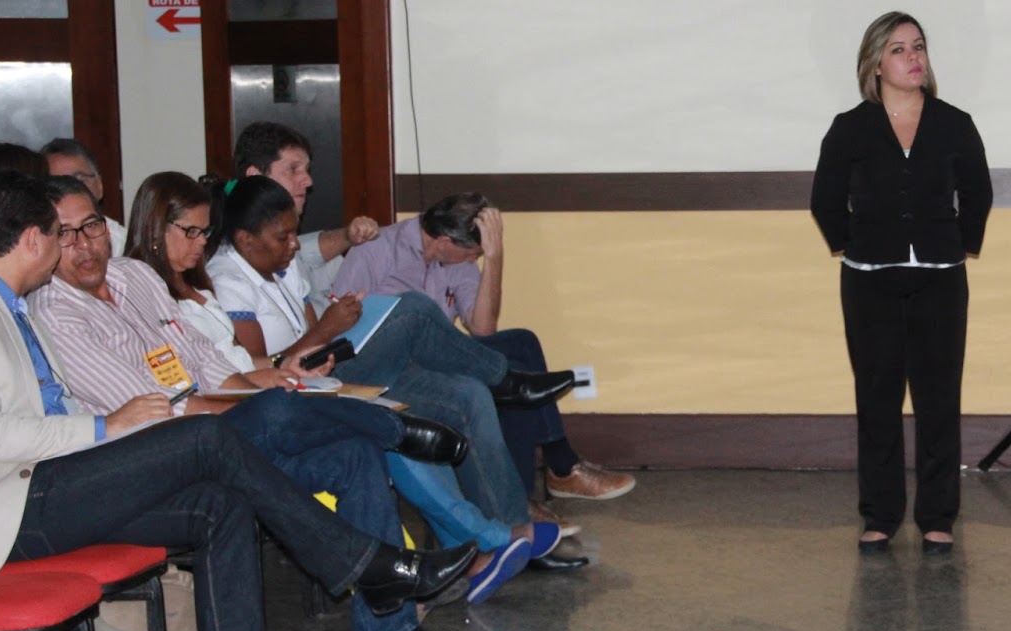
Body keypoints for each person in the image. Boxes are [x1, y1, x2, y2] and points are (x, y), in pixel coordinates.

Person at [0, 170, 475, 631]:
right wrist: (103, 426)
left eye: (89, 228)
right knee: (209, 435)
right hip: (11, 507)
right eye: (61, 235)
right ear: (34, 239)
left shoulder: (12, 301)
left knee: (221, 506)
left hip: (61, 476)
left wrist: (261, 379)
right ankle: (369, 557)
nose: (72, 247)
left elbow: (184, 369)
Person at [124, 171, 559, 600]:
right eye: (193, 232)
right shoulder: (211, 284)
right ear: (245, 240)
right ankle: (488, 530)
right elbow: (210, 385)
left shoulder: (223, 283)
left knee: (459, 398)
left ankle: (477, 548)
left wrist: (290, 363)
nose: (295, 245)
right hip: (264, 408)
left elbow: (238, 365)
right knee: (409, 325)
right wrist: (306, 348)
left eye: (205, 232)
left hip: (307, 380)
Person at [810, 11, 993, 555]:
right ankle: (880, 515)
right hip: (870, 281)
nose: (914, 58)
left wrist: (958, 243)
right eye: (899, 49)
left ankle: (937, 516)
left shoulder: (954, 123)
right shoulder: (850, 127)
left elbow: (978, 192)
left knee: (939, 399)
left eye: (919, 47)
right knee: (877, 400)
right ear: (875, 64)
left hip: (940, 280)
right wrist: (855, 244)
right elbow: (825, 199)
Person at [331, 191, 636, 503]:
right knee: (506, 378)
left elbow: (483, 328)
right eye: (472, 253)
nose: (472, 260)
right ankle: (556, 470)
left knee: (522, 344)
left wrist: (494, 257)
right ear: (444, 241)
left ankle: (545, 479)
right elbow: (338, 325)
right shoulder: (376, 248)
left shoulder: (457, 259)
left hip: (443, 355)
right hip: (389, 367)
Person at [232, 120, 378, 313]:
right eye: (293, 169)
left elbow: (305, 251)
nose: (308, 181)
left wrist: (349, 236)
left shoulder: (291, 252)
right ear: (255, 176)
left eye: (307, 170)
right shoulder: (235, 260)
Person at [42, 136, 126, 250]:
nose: (71, 190)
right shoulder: (39, 248)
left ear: (99, 185)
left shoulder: (124, 246)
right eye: (59, 184)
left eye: (80, 181)